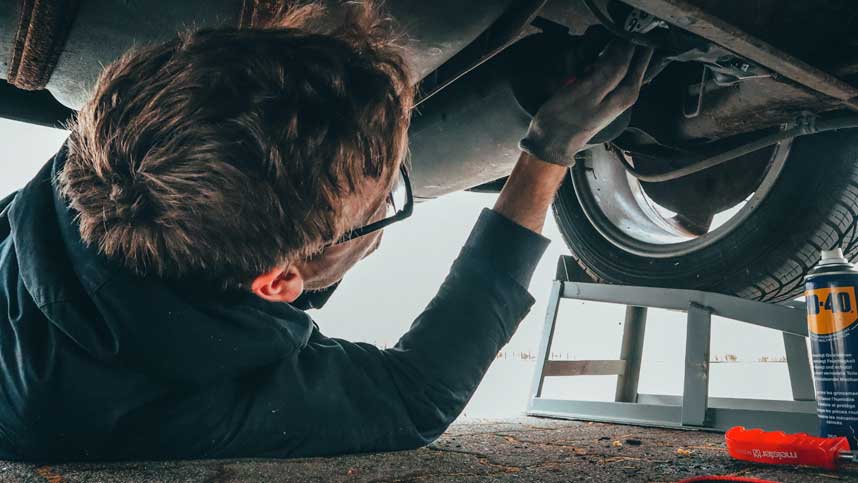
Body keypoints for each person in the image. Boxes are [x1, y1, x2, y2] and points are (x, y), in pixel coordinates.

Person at [0, 3, 652, 461]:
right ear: (277, 281)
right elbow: (416, 395)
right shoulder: (185, 405)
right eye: (384, 200)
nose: (385, 214)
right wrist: (545, 155)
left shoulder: (122, 151)